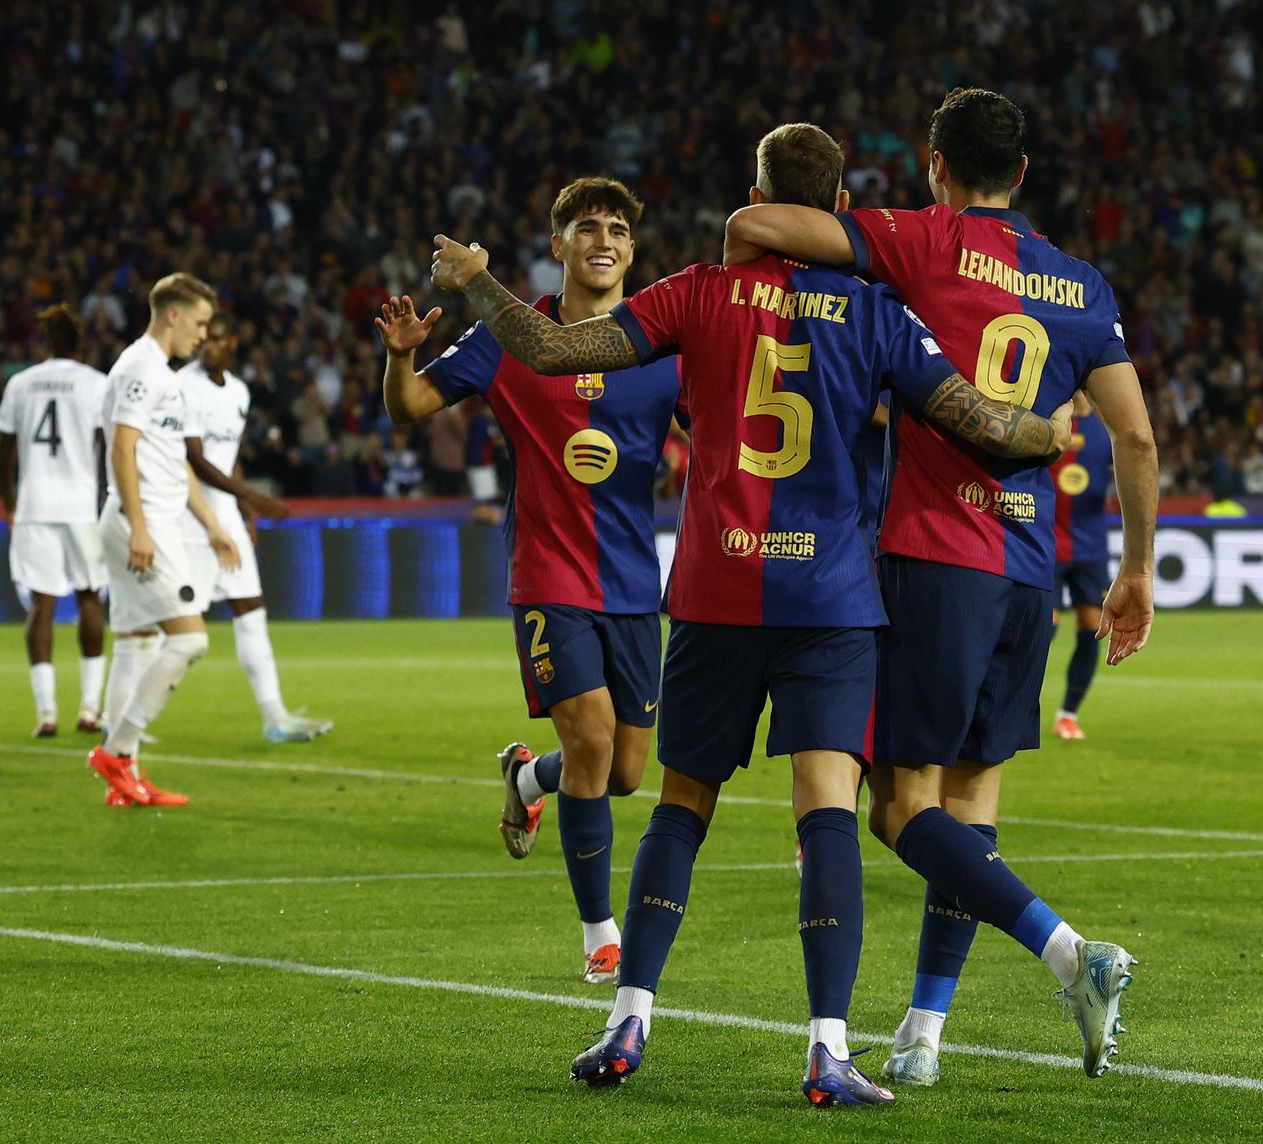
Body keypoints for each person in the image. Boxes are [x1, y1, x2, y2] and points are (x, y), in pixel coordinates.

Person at [429, 124, 1074, 1105]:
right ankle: (827, 1048)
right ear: (841, 206)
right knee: (825, 818)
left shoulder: (697, 290)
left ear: (758, 196)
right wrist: (1047, 430)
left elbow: (553, 348)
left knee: (680, 808)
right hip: (830, 603)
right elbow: (977, 422)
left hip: (718, 594)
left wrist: (478, 280)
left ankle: (627, 1019)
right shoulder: (876, 311)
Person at [724, 89, 1160, 1083]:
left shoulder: (921, 240)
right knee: (970, 804)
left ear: (934, 165)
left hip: (933, 555)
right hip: (1028, 573)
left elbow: (760, 223)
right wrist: (1135, 567)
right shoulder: (1083, 286)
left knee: (898, 808)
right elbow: (1133, 434)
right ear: (1023, 174)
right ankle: (922, 1039)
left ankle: (1067, 950)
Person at [382, 177, 684, 987]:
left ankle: (526, 775)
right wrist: (402, 349)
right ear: (558, 246)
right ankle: (599, 935)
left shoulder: (662, 343)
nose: (604, 240)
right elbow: (410, 404)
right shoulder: (509, 336)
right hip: (548, 574)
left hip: (632, 581)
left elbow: (719, 431)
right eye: (587, 227)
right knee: (589, 741)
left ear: (632, 247)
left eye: (619, 228)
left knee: (623, 771)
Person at [87, 272, 239, 809]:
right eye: (198, 324)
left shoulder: (164, 375)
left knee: (134, 643)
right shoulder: (139, 368)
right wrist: (142, 526)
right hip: (141, 521)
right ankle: (117, 749)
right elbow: (121, 449)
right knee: (190, 639)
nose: (203, 335)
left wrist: (213, 525)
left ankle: (123, 779)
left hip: (152, 518)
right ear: (172, 314)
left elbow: (172, 461)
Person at [179, 309, 332, 743]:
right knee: (173, 627)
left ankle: (275, 718)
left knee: (251, 611)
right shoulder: (184, 387)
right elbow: (194, 458)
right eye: (204, 337)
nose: (209, 345)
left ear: (233, 344)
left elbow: (228, 460)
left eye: (219, 338)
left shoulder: (240, 392)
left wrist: (244, 513)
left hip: (225, 514)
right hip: (191, 519)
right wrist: (253, 499)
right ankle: (119, 718)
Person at [0, 303, 109, 737]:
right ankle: (89, 708)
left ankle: (46, 713)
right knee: (89, 598)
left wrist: (9, 502)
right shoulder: (97, 385)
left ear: (44, 343)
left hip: (35, 505)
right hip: (81, 506)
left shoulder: (20, 384)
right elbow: (109, 446)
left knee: (42, 605)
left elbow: (2, 452)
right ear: (79, 345)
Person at [1050, 391, 1112, 740]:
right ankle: (1017, 704)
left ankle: (1068, 714)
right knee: (1044, 628)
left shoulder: (1105, 428)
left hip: (1090, 547)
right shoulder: (1048, 416)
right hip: (1047, 544)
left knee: (1091, 630)